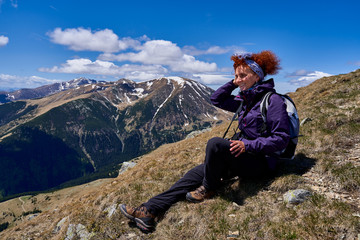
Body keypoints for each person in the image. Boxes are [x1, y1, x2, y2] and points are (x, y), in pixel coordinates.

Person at [119, 50, 290, 233]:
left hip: (261, 163)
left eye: (243, 75)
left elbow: (281, 139)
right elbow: (216, 99)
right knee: (193, 175)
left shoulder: (273, 101)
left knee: (216, 144)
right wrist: (235, 82)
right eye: (235, 76)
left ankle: (209, 188)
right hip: (242, 156)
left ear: (257, 76)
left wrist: (247, 145)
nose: (238, 79)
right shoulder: (244, 101)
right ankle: (149, 211)